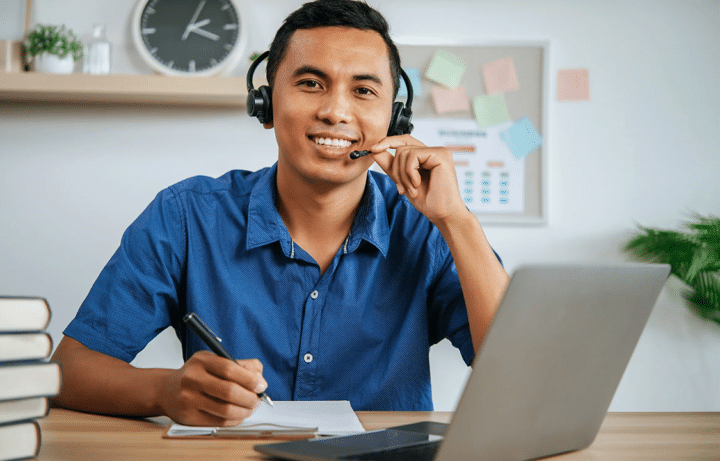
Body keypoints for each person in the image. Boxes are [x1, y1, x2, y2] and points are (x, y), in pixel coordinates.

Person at [51, 0, 509, 427]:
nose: (334, 111)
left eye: (364, 90)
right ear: (266, 105)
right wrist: (164, 390)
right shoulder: (185, 218)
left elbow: (515, 373)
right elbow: (69, 370)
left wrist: (457, 220)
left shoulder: (427, 230)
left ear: (395, 119)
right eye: (311, 84)